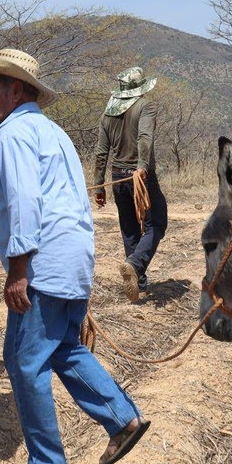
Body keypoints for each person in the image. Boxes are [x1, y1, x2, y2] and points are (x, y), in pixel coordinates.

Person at [0, 48, 150, 464]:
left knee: (24, 360)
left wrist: (19, 268)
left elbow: (26, 202)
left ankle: (46, 463)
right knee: (64, 348)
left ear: (15, 89)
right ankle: (123, 421)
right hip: (72, 258)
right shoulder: (52, 132)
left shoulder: (13, 135)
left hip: (43, 261)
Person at [92, 66, 169, 301]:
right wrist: (142, 167)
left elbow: (101, 153)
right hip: (139, 175)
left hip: (117, 176)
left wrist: (99, 186)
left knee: (129, 228)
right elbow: (145, 138)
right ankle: (135, 264)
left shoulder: (107, 114)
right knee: (156, 223)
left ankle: (140, 284)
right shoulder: (146, 106)